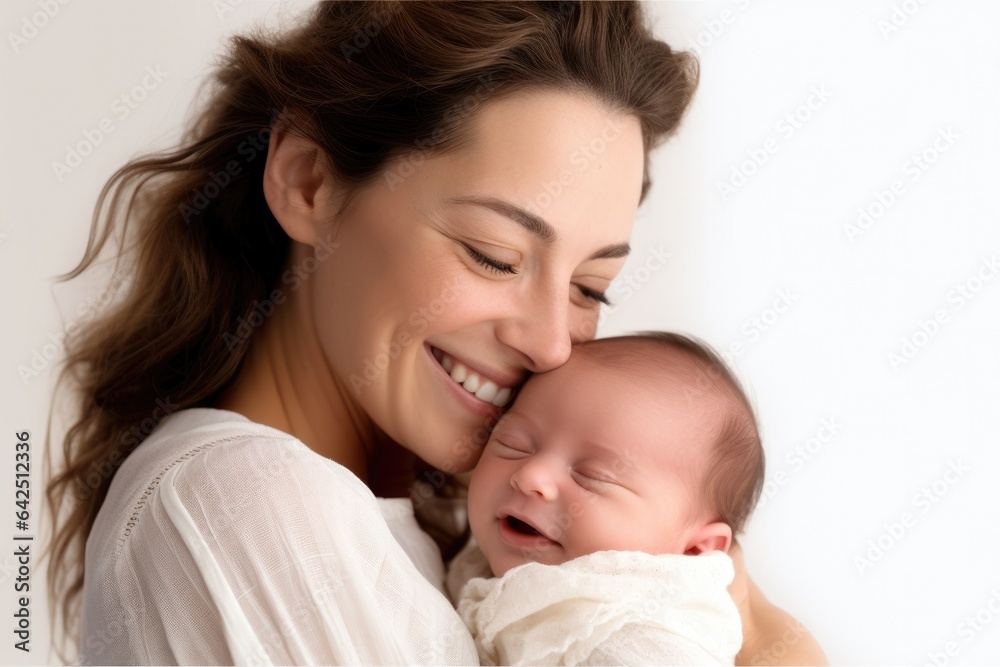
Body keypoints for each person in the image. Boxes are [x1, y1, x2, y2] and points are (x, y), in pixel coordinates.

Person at [43, 1, 826, 665]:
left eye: (592, 289)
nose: (553, 344)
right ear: (308, 180)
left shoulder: (462, 547)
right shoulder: (245, 498)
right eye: (495, 255)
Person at [452, 332, 762, 665]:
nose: (531, 476)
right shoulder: (468, 559)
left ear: (694, 552)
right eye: (514, 444)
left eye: (592, 476)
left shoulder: (640, 636)